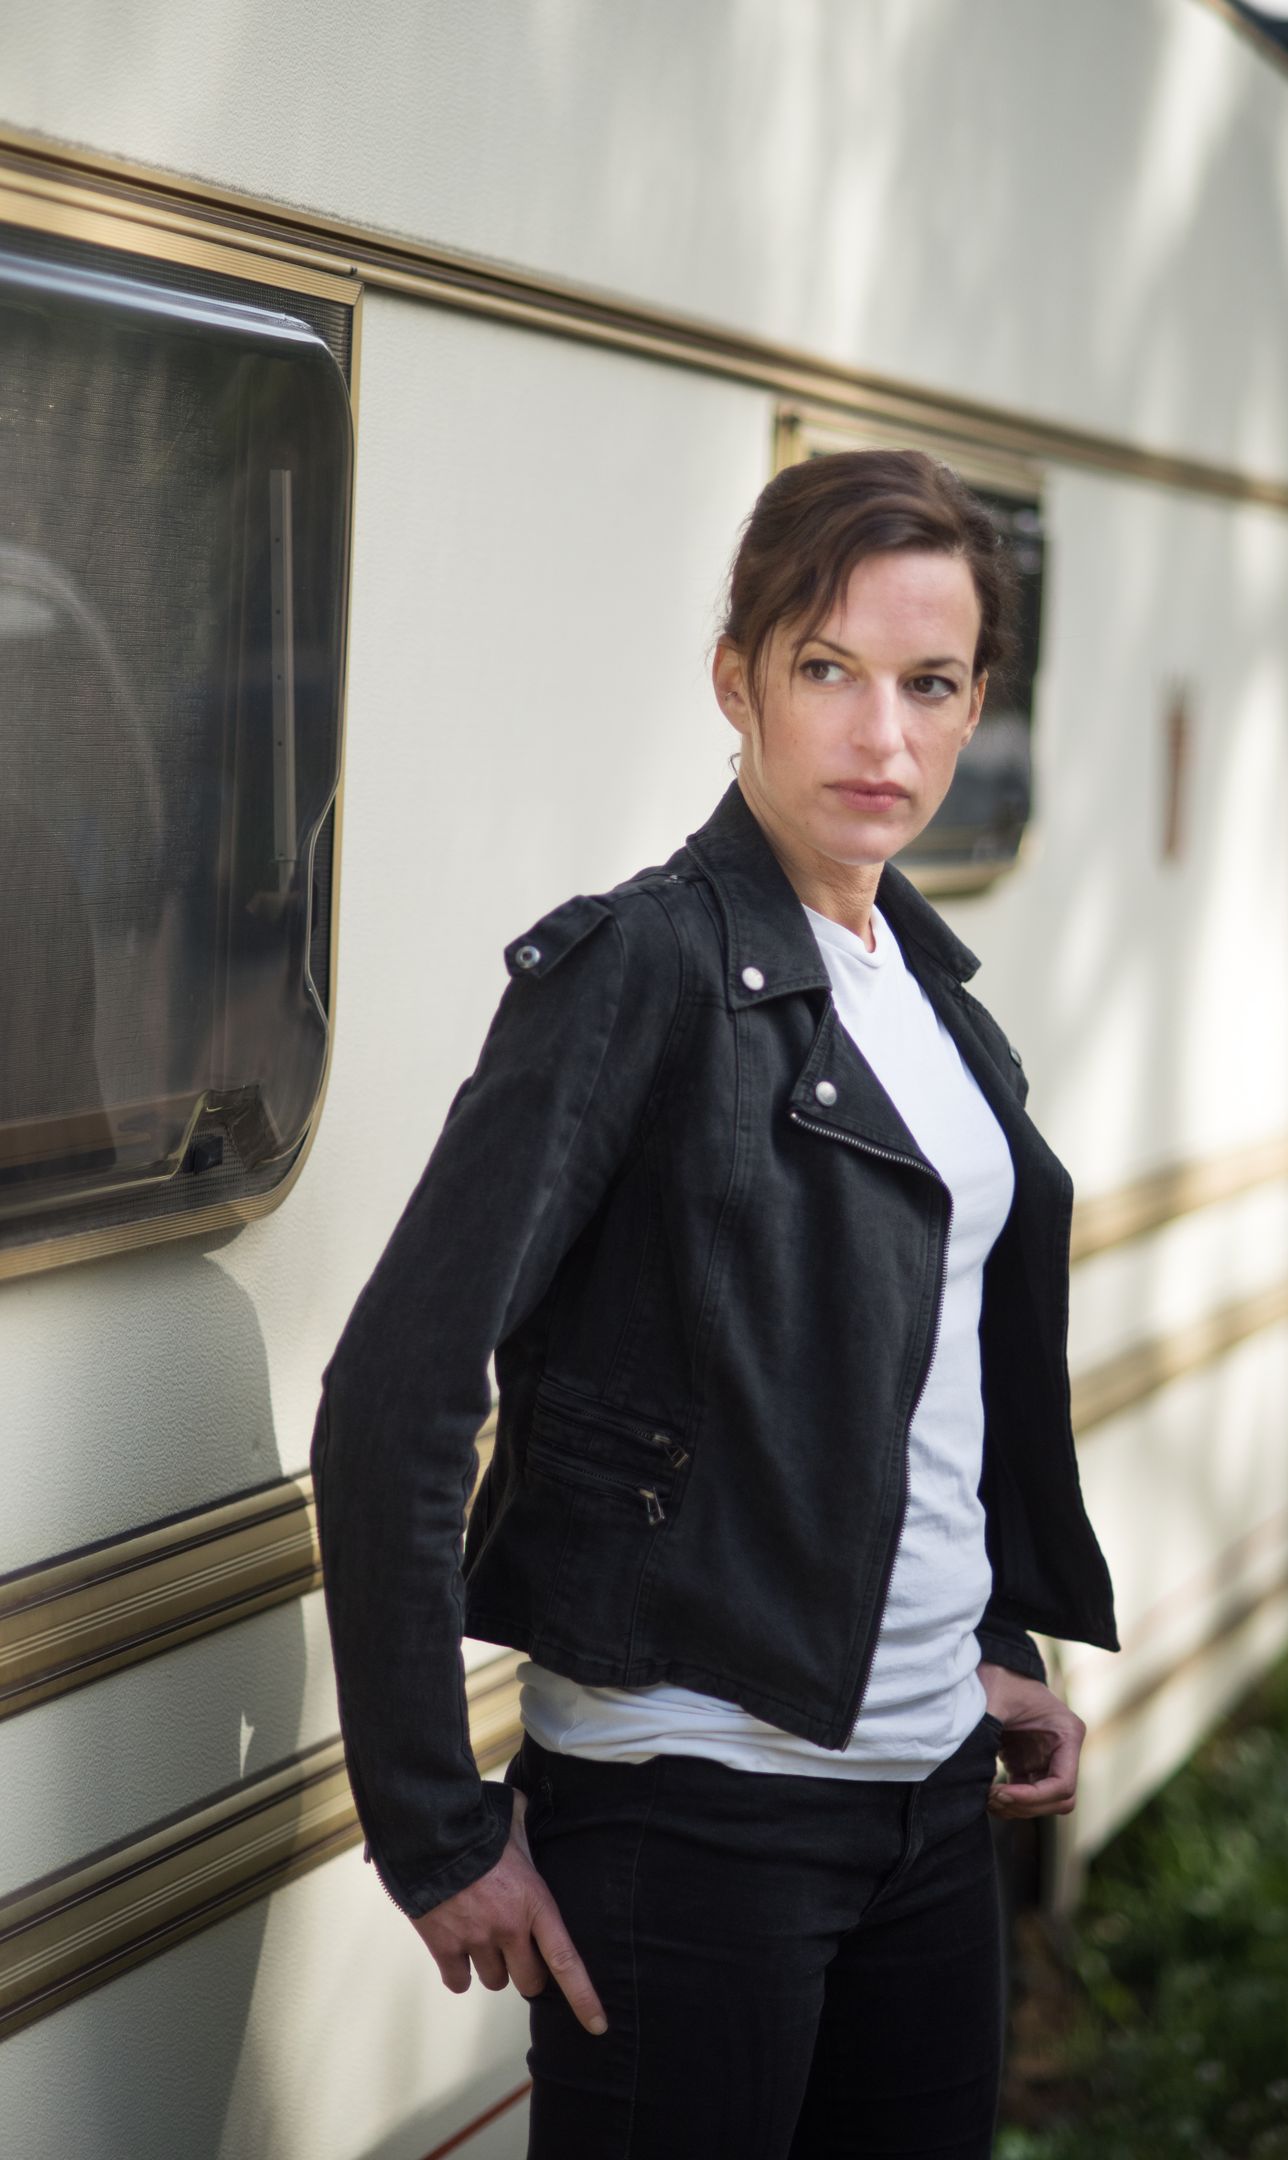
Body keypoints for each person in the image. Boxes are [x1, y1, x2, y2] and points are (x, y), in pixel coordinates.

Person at [312, 448, 1118, 2159]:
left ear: (976, 707)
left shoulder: (929, 993)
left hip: (928, 1807)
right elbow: (394, 1395)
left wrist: (982, 1647)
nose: (879, 734)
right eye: (827, 669)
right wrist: (435, 1830)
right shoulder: (642, 969)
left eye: (929, 684)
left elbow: (917, 1377)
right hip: (690, 1822)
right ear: (735, 680)